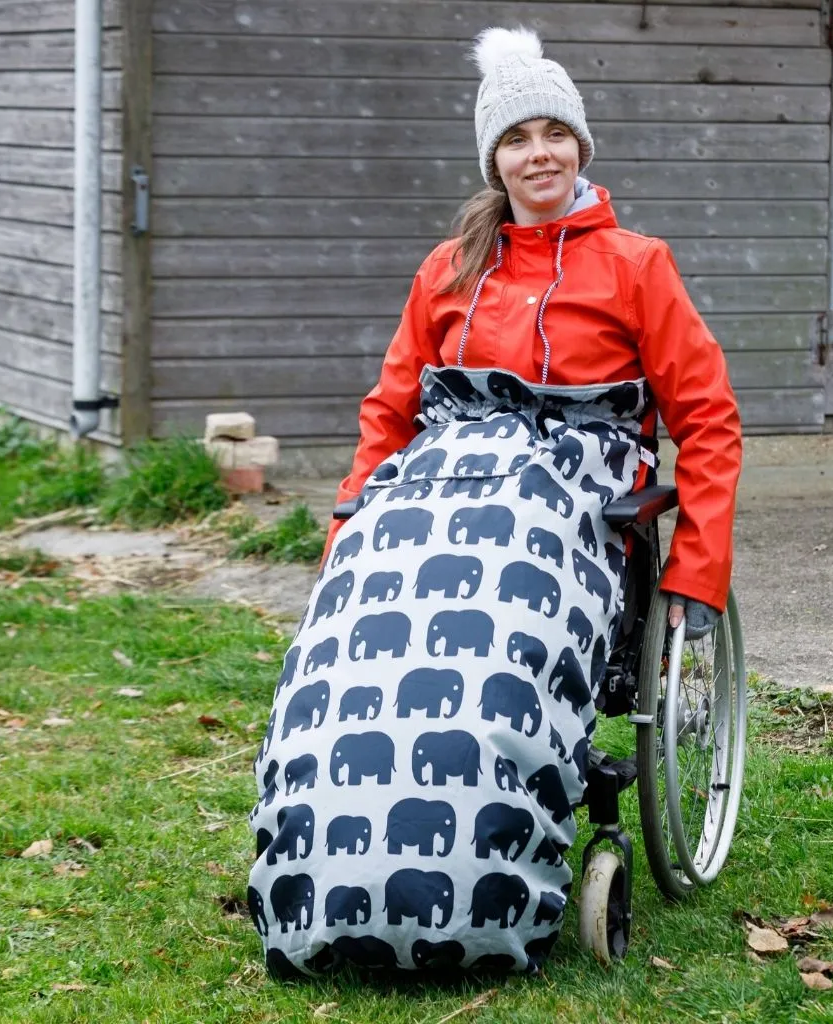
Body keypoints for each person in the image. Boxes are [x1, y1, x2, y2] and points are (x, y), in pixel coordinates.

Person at [248, 25, 741, 978]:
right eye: (520, 138)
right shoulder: (448, 267)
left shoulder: (637, 265)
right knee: (347, 644)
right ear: (495, 157)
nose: (540, 152)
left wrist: (698, 567)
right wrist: (349, 529)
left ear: (581, 148)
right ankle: (320, 875)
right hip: (434, 488)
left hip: (569, 498)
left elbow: (709, 420)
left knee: (496, 624)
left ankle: (496, 866)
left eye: (557, 133)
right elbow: (391, 412)